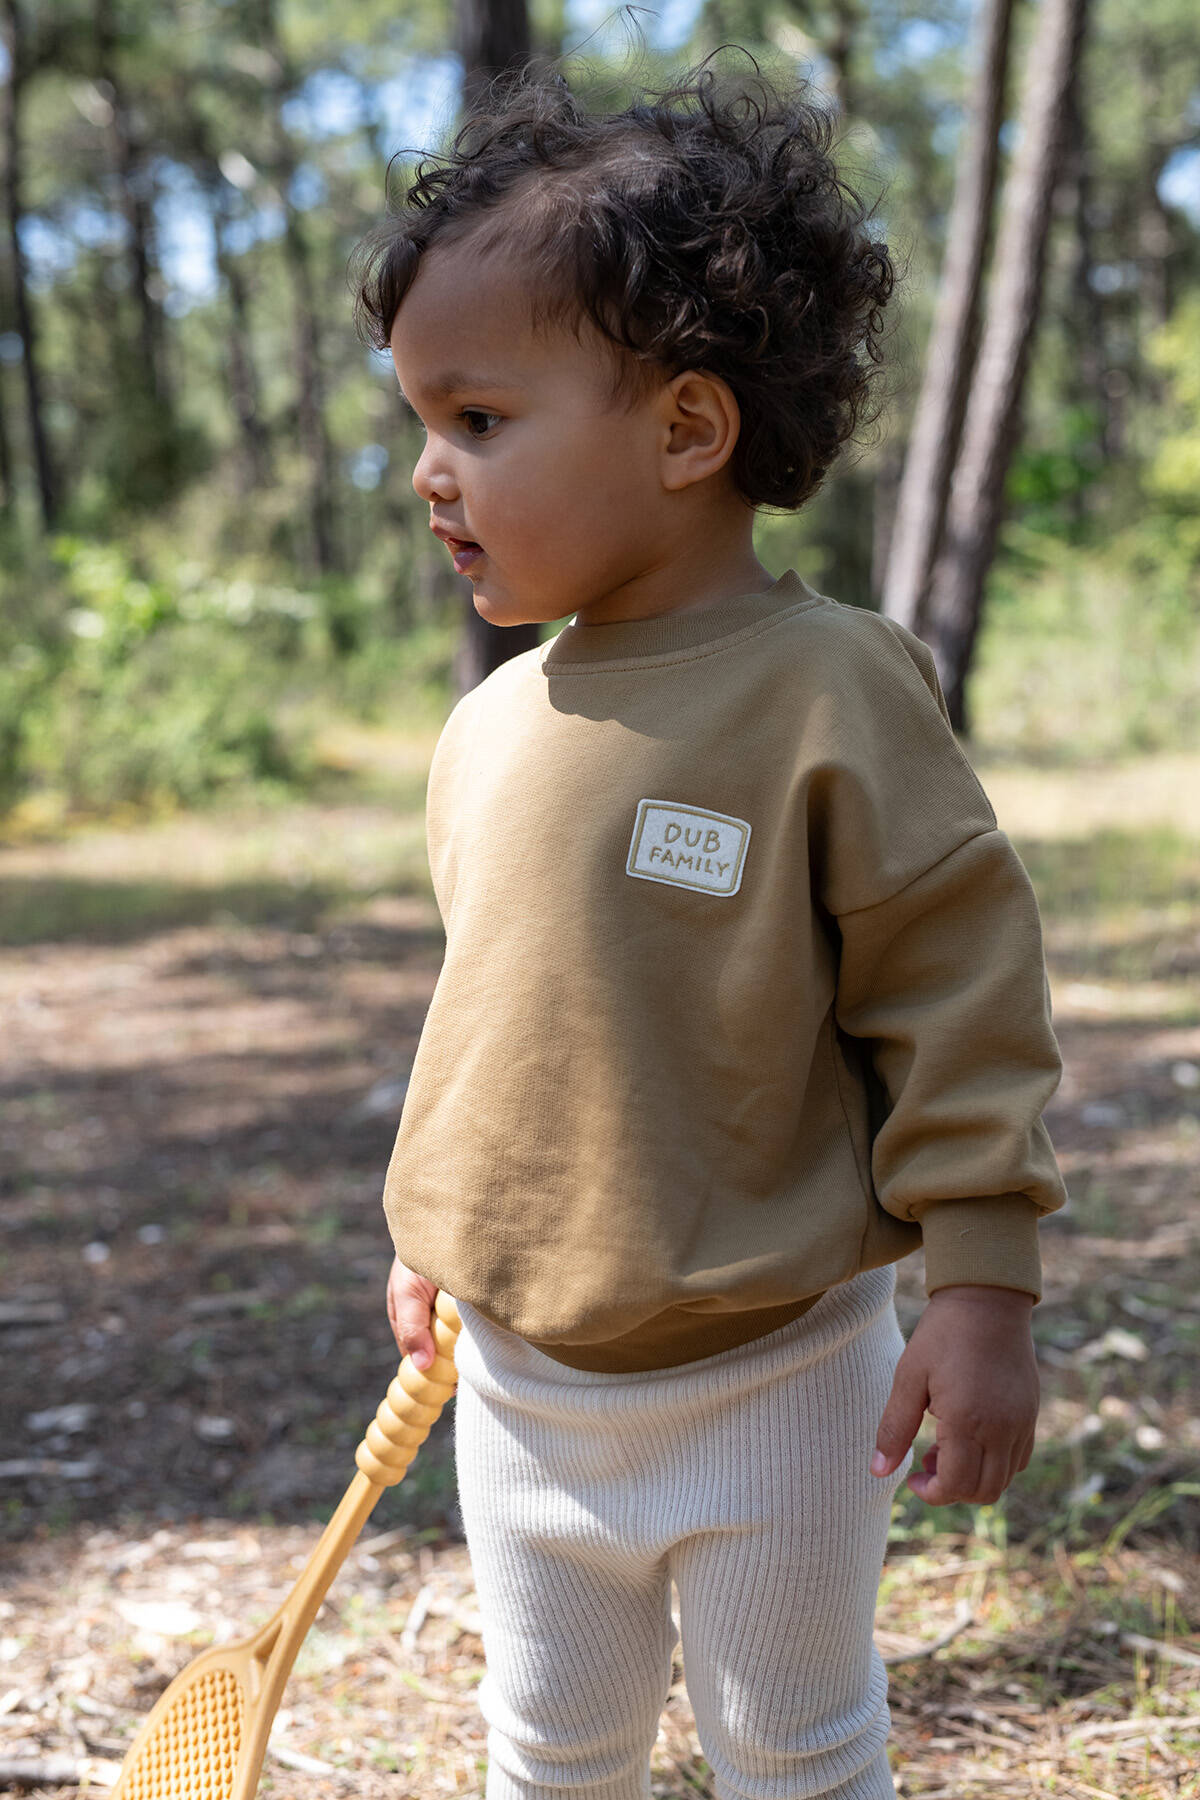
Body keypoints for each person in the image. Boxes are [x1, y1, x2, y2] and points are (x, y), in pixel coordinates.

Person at [350, 50, 1068, 1800]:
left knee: (799, 1750)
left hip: (780, 1373)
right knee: (552, 1747)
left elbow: (955, 986)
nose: (433, 474)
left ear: (686, 428)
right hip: (522, 1390)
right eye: (420, 425)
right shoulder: (490, 731)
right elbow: (503, 1022)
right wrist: (441, 1228)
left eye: (483, 419)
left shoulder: (830, 691)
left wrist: (983, 1285)